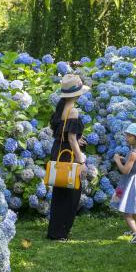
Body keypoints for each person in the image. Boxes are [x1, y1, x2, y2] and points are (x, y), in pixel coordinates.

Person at [47, 73, 89, 241]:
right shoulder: (73, 111)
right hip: (69, 154)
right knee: (72, 193)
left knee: (60, 192)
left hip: (58, 150)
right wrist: (81, 160)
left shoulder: (61, 107)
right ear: (77, 93)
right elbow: (71, 138)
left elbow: (62, 133)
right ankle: (61, 231)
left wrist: (76, 138)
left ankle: (55, 230)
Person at [112, 123, 136, 244]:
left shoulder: (133, 153)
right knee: (132, 208)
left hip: (130, 183)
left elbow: (125, 170)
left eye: (128, 136)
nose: (126, 138)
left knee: (127, 211)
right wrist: (125, 159)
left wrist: (118, 160)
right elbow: (134, 164)